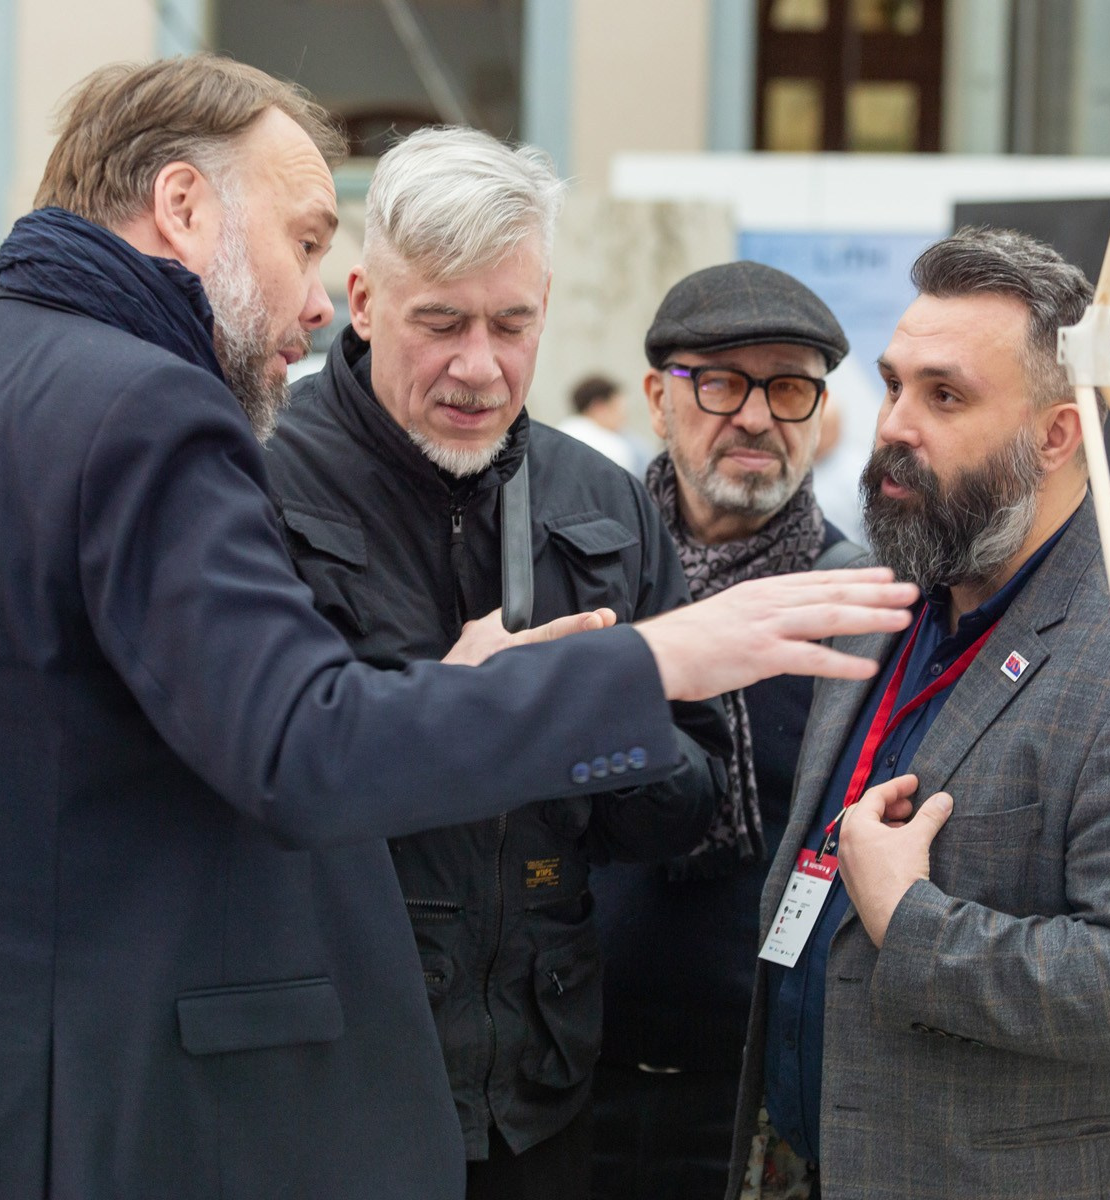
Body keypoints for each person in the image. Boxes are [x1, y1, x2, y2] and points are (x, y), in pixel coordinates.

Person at [0, 56, 918, 1200]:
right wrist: (653, 658)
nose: (312, 301)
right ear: (183, 208)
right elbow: (303, 748)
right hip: (63, 1128)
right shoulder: (147, 409)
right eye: (301, 241)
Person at [267, 127, 726, 1200]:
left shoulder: (603, 502)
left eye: (513, 325)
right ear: (363, 301)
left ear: (546, 305)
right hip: (322, 1091)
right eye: (441, 324)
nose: (480, 368)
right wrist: (465, 706)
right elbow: (243, 784)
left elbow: (686, 810)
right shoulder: (256, 475)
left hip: (539, 1094)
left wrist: (588, 716)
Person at [726, 228, 1110, 1200]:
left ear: (1056, 435)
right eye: (893, 384)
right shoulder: (875, 587)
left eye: (945, 396)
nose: (894, 426)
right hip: (789, 1158)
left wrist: (916, 923)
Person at [590, 261, 862, 1200]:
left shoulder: (859, 610)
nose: (754, 416)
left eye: (787, 388)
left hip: (757, 1104)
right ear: (657, 400)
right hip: (567, 1078)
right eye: (720, 383)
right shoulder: (587, 581)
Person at [558, 374, 646, 475]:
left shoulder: (558, 436)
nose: (623, 418)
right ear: (599, 408)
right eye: (618, 409)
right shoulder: (612, 448)